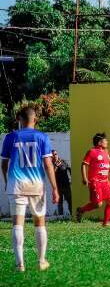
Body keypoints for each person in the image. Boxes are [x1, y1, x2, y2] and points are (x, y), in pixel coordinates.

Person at [0, 106, 59, 272]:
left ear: (20, 119)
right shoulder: (42, 137)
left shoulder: (11, 136)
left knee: (17, 223)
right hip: (36, 185)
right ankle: (41, 261)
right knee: (39, 223)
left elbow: (3, 164)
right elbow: (48, 165)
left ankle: (20, 264)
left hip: (16, 184)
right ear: (36, 120)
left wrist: (7, 180)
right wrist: (55, 188)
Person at [76, 133, 110, 226]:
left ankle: (105, 223)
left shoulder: (106, 152)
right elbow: (84, 164)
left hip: (105, 181)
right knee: (98, 204)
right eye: (105, 140)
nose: (107, 142)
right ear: (99, 142)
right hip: (95, 182)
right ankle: (81, 210)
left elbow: (107, 165)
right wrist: (85, 178)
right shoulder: (92, 152)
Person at [52, 150, 72, 217]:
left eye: (56, 154)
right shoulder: (51, 164)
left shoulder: (63, 162)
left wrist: (72, 178)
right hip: (58, 187)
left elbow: (69, 169)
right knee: (60, 203)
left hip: (66, 185)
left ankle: (72, 215)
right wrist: (56, 166)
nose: (55, 156)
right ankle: (61, 217)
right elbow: (51, 174)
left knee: (70, 201)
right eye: (53, 155)